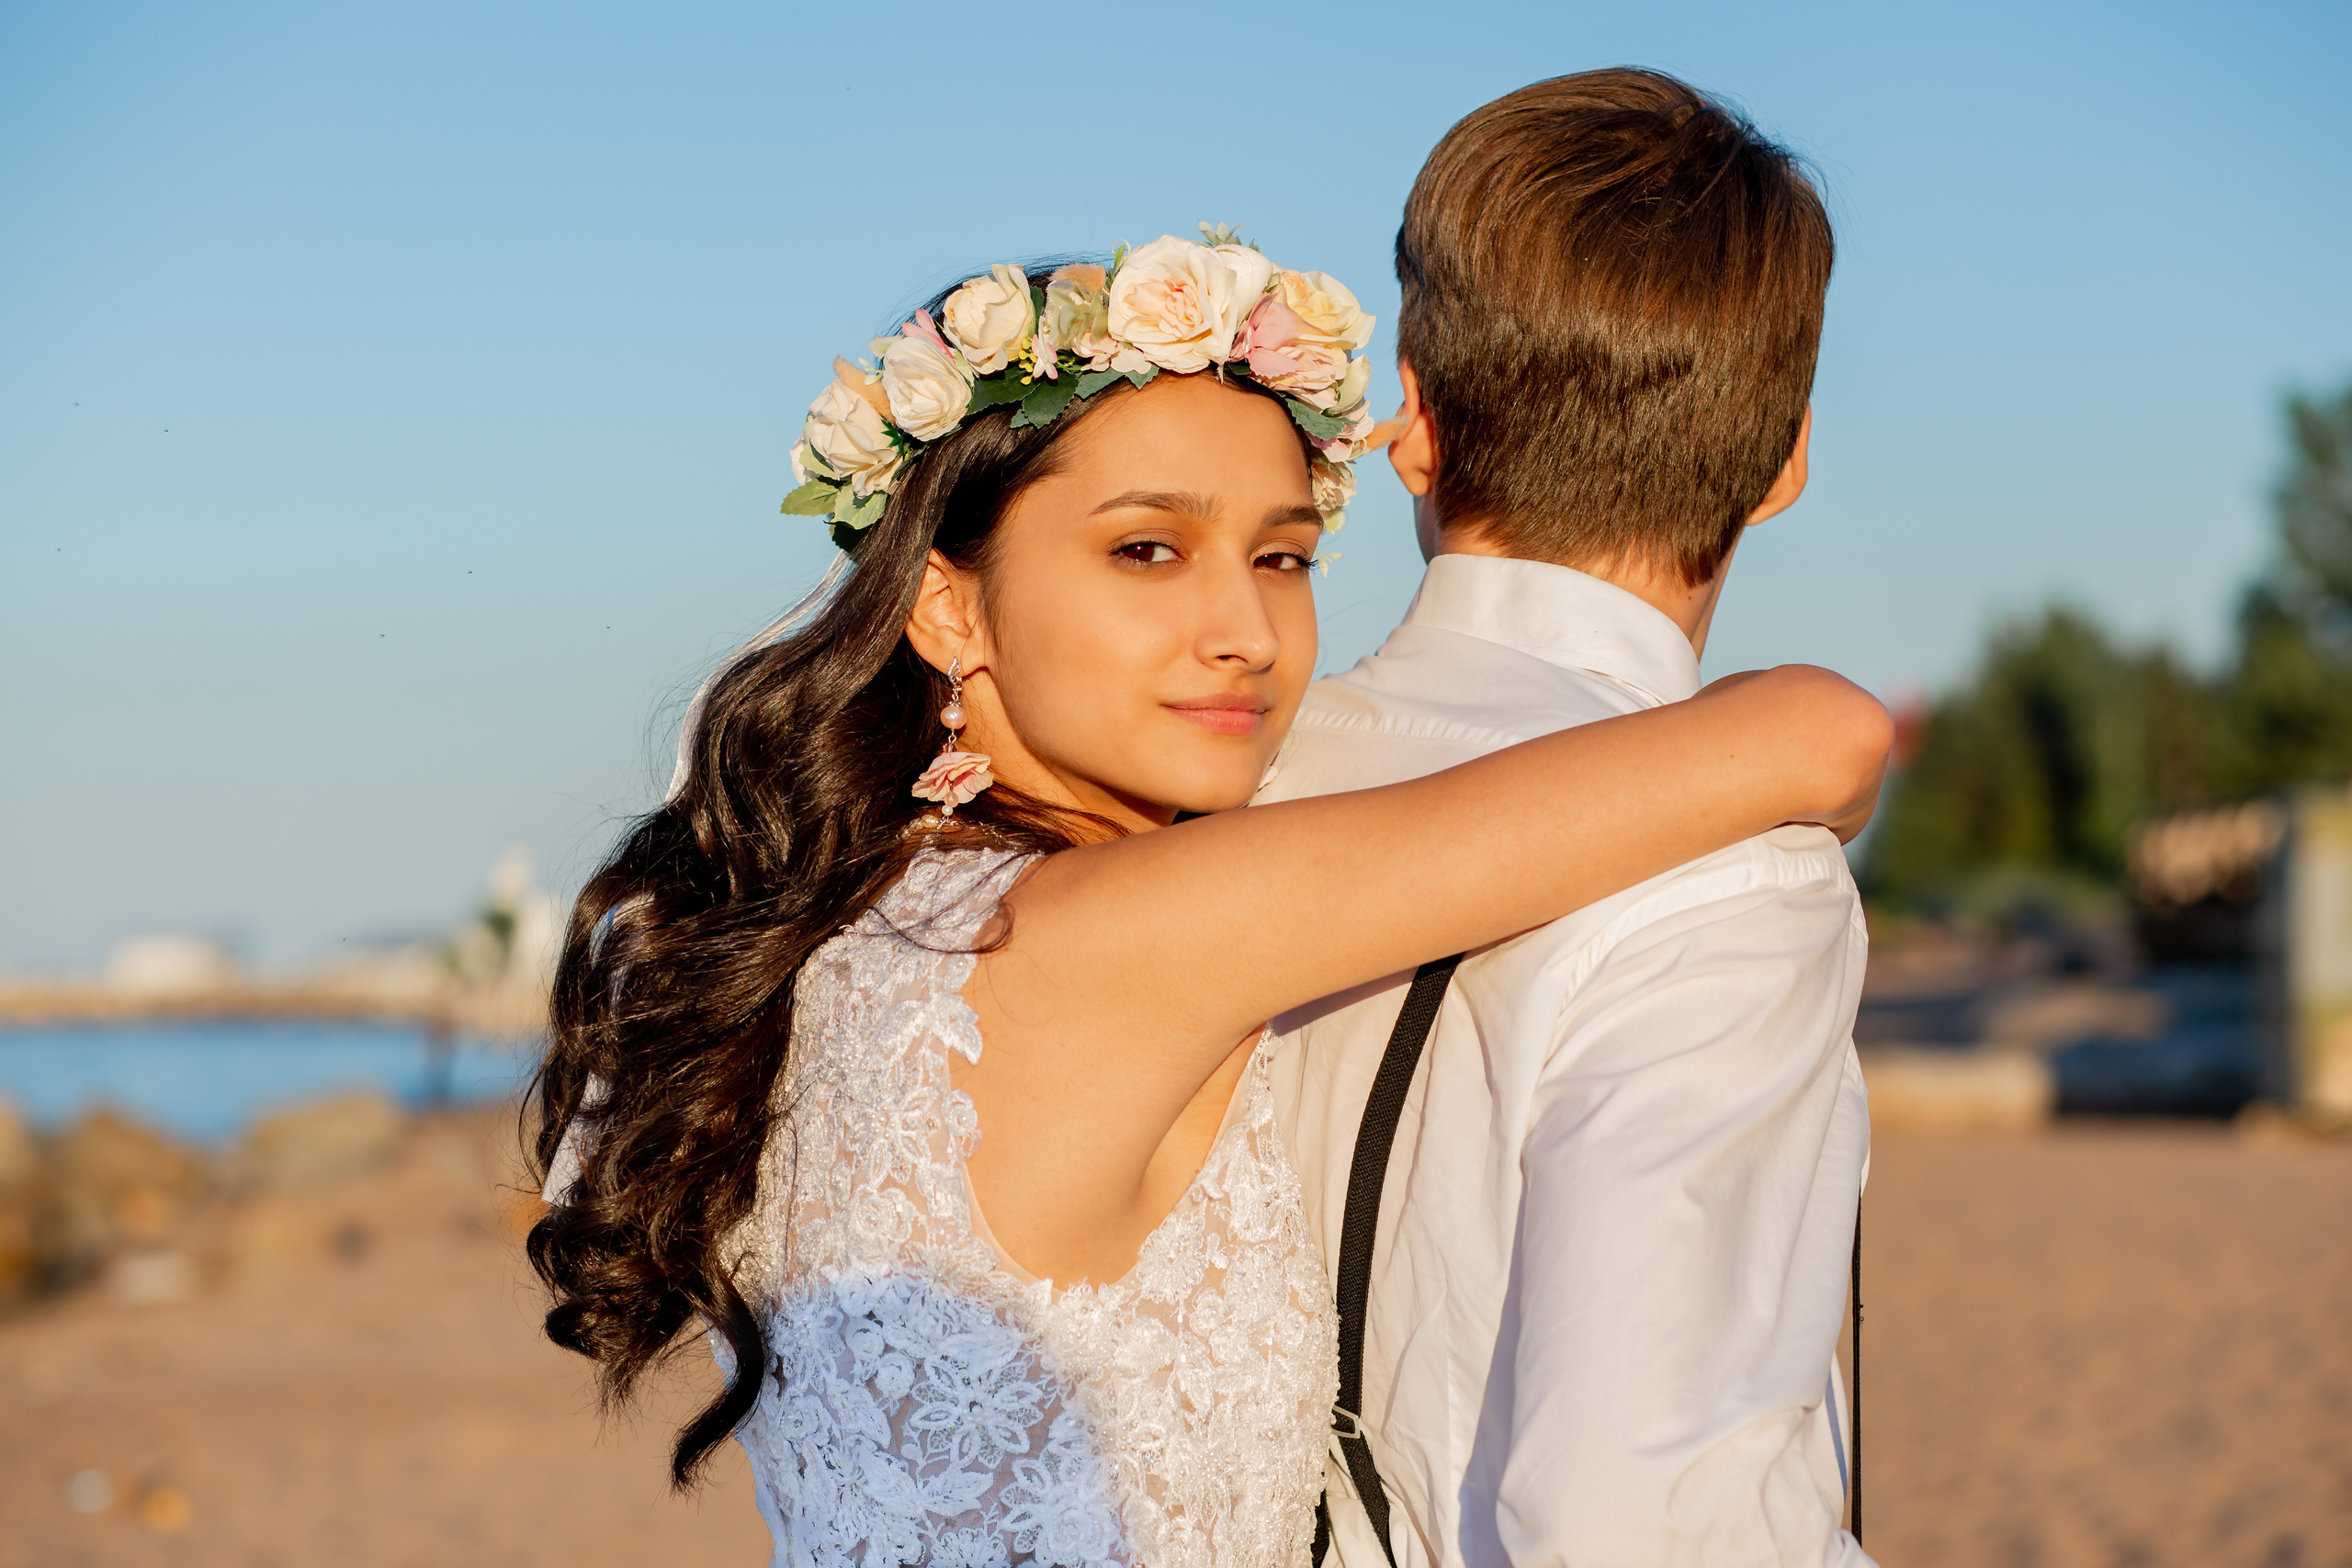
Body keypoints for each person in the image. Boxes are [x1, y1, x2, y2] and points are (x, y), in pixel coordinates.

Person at [529, 230, 1891, 1568]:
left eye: (1283, 558)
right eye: (1147, 552)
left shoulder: (849, 926)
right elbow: (1814, 732)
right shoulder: (1112, 932)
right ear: (947, 607)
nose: (1243, 627)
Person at [1254, 71, 1872, 1567]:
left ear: (1411, 414)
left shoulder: (1214, 786)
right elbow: (1642, 1519)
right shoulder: (1731, 876)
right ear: (1787, 455)